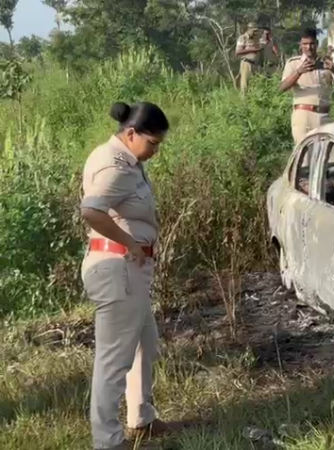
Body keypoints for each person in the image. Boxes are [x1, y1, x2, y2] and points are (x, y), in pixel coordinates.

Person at [81, 102, 185, 450]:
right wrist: (130, 242)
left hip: (128, 271)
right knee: (114, 360)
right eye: (152, 143)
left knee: (144, 343)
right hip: (118, 268)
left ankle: (142, 417)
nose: (155, 151)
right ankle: (108, 441)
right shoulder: (115, 165)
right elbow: (91, 211)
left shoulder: (128, 161)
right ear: (130, 134)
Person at [280, 28, 334, 145]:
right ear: (300, 45)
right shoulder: (294, 63)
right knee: (305, 157)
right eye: (305, 44)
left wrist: (333, 70)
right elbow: (282, 87)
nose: (308, 47)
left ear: (316, 44)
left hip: (324, 115)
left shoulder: (326, 62)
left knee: (329, 157)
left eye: (311, 44)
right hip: (303, 115)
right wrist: (298, 72)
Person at [236, 22, 279, 93]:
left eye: (257, 31)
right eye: (254, 31)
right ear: (249, 29)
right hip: (247, 63)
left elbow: (268, 46)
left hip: (256, 64)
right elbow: (238, 52)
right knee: (245, 86)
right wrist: (254, 50)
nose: (255, 33)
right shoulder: (243, 38)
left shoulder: (257, 39)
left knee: (255, 85)